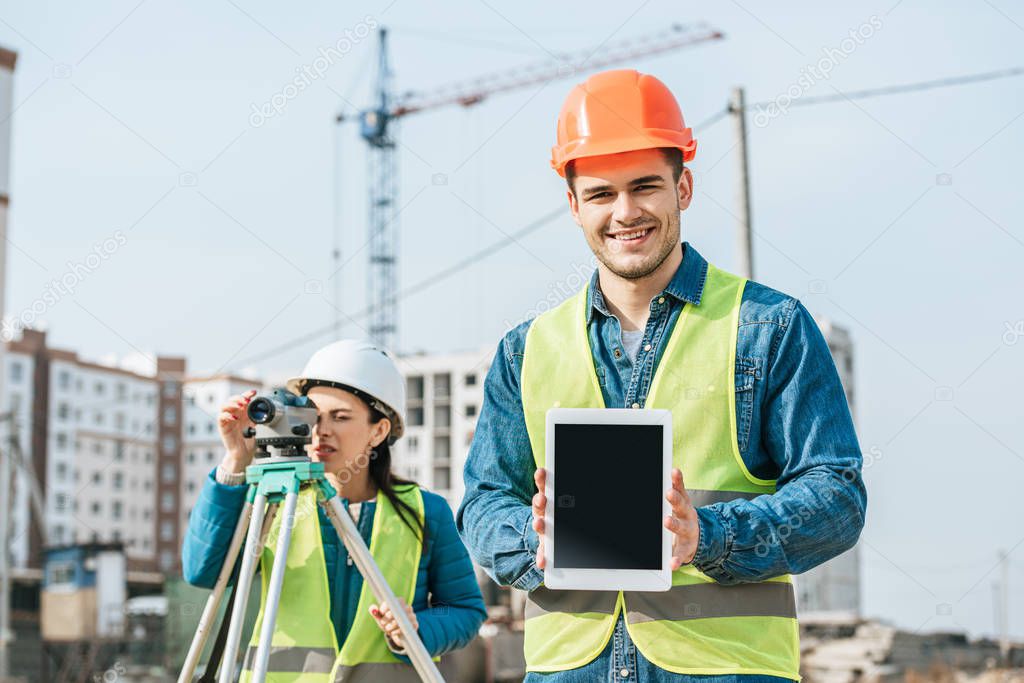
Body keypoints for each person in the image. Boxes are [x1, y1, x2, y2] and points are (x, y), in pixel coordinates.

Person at [457, 69, 867, 682]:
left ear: (685, 186)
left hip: (725, 670)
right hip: (571, 671)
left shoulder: (767, 326)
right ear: (573, 205)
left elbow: (836, 497)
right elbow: (485, 502)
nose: (625, 213)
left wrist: (707, 536)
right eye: (600, 194)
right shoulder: (526, 350)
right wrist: (533, 543)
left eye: (645, 186)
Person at [183, 339, 486, 682]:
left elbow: (465, 610)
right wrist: (236, 460)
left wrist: (418, 628)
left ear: (379, 430)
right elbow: (204, 572)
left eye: (340, 417)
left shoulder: (425, 511)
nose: (320, 431)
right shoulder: (277, 502)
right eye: (313, 416)